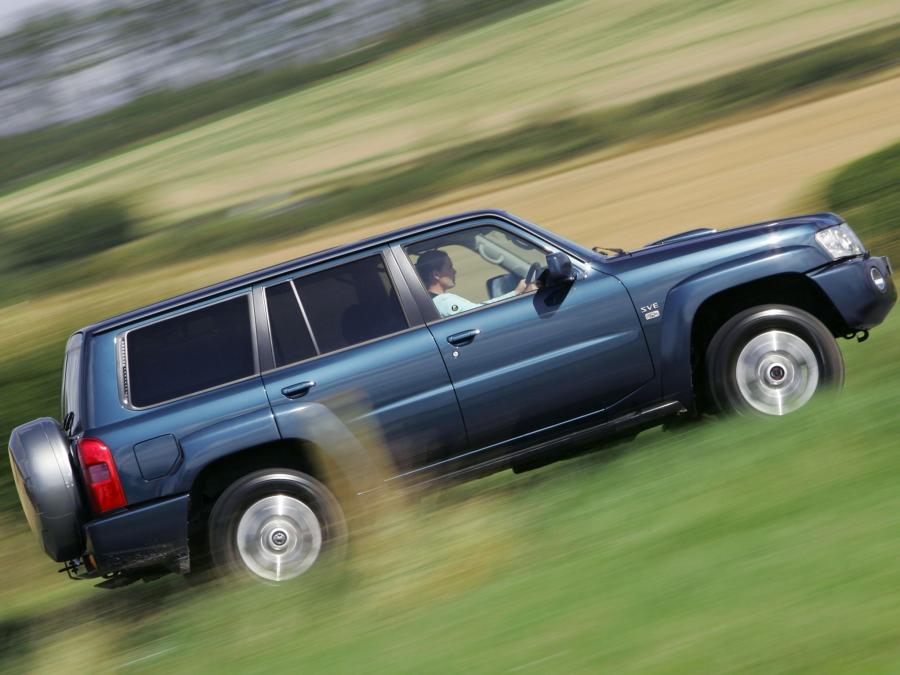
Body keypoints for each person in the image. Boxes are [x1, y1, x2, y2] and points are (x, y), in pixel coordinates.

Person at [415, 249, 535, 318]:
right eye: (449, 267)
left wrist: (515, 293)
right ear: (436, 274)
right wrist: (516, 293)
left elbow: (480, 307)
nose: (454, 271)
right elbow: (480, 313)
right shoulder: (443, 301)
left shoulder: (434, 301)